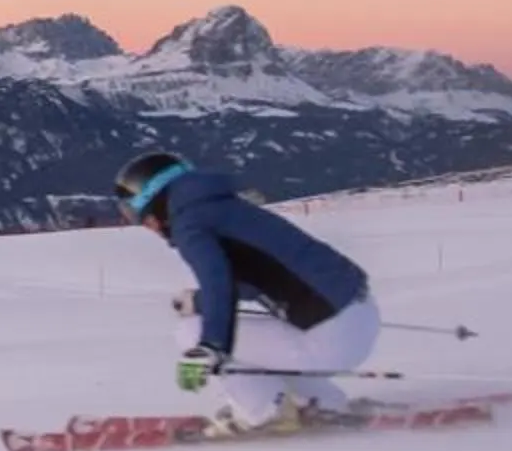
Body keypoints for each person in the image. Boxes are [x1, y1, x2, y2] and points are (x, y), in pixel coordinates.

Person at [115, 150, 379, 434]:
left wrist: (210, 348)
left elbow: (220, 284)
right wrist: (199, 301)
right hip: (357, 314)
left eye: (136, 214)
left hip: (331, 336)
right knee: (253, 336)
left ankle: (263, 412)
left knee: (190, 331)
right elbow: (253, 277)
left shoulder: (190, 224)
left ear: (154, 202)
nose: (145, 225)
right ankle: (323, 403)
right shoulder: (220, 206)